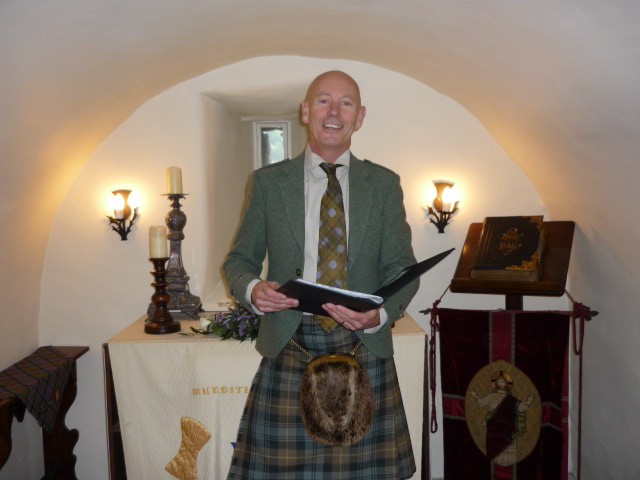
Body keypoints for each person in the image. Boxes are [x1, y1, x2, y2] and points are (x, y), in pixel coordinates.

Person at [223, 70, 419, 479]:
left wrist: (380, 314)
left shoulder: (384, 184)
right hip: (291, 343)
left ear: (359, 116)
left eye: (346, 103)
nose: (334, 112)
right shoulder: (267, 183)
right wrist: (253, 289)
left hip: (364, 345)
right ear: (305, 111)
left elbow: (401, 268)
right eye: (324, 101)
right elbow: (238, 260)